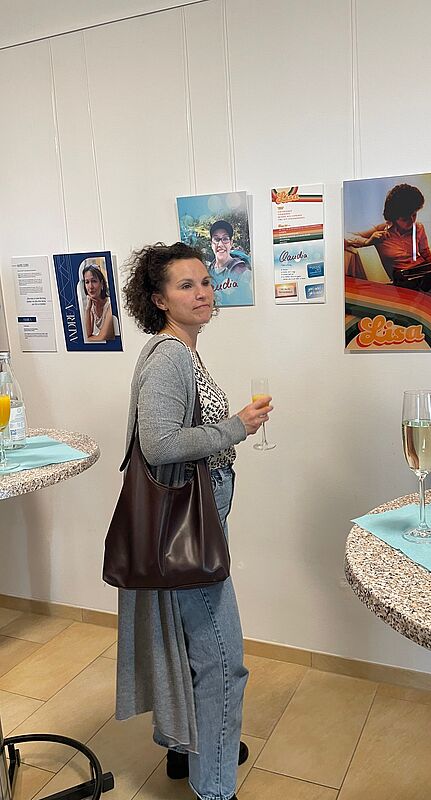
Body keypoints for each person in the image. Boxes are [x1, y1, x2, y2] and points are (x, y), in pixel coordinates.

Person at [117, 241, 272, 800]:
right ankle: (216, 788)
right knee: (223, 662)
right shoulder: (171, 356)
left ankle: (189, 749)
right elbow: (159, 445)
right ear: (159, 299)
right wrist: (236, 428)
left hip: (187, 522)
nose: (202, 292)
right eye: (186, 285)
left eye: (205, 281)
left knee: (185, 646)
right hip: (189, 531)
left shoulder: (182, 349)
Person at [345, 183, 431, 283]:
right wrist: (368, 242)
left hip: (424, 271)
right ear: (394, 217)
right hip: (404, 279)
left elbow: (426, 254)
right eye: (405, 219)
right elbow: (346, 236)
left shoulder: (419, 228)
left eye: (414, 215)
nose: (412, 220)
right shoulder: (381, 230)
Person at [82, 265, 114, 342]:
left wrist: (90, 338)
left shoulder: (110, 305)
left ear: (101, 284)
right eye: (87, 282)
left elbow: (102, 338)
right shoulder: (92, 306)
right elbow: (86, 335)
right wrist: (88, 309)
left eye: (94, 281)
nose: (90, 287)